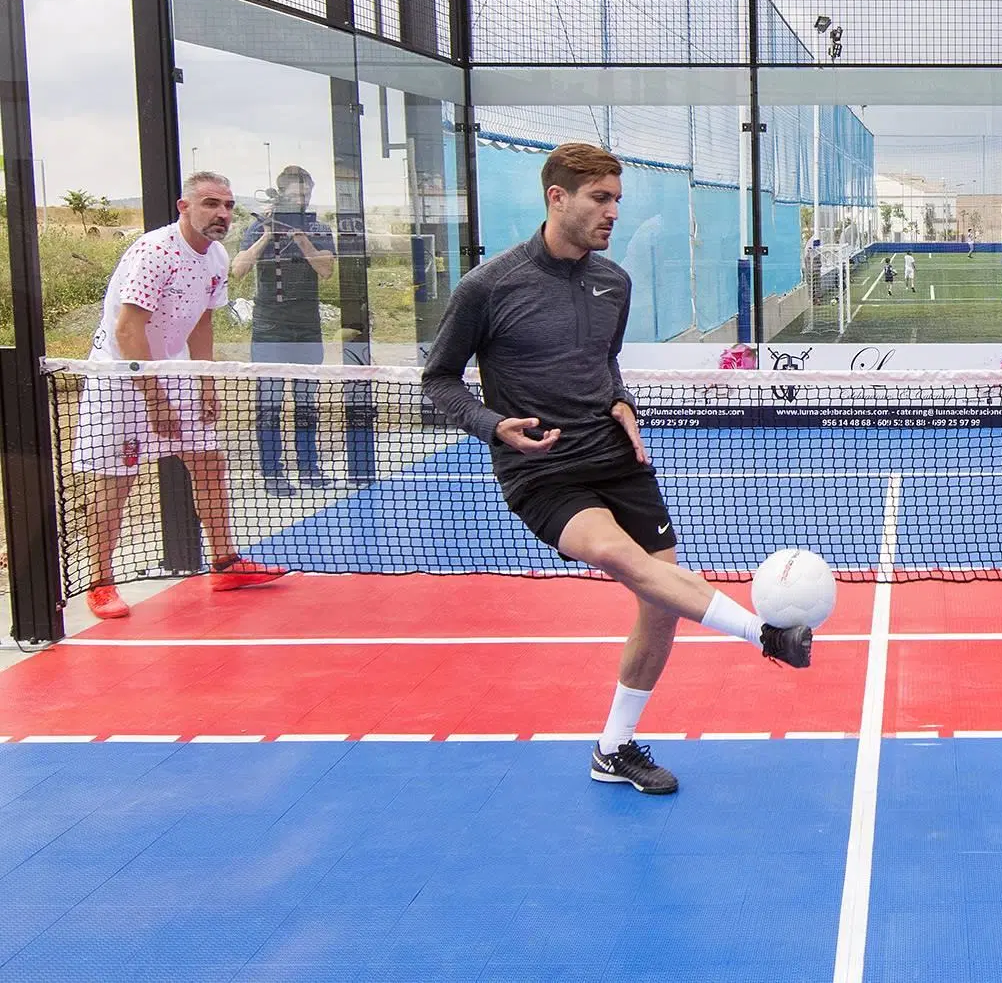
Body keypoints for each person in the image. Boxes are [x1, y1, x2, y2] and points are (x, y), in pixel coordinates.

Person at [423, 142, 811, 796]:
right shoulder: (487, 287)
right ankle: (765, 635)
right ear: (557, 197)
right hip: (542, 472)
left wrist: (622, 403)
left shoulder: (613, 284)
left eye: (617, 200)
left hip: (616, 456)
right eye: (600, 199)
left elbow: (602, 364)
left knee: (659, 605)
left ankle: (614, 748)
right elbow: (438, 380)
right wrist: (494, 427)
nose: (612, 213)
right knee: (635, 565)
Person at [75, 172, 286, 620]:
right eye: (211, 204)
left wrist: (204, 381)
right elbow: (128, 329)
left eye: (228, 205)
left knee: (209, 460)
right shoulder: (155, 253)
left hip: (174, 369)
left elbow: (203, 322)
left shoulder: (215, 256)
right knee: (117, 477)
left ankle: (226, 564)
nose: (222, 214)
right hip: (121, 373)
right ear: (183, 206)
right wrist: (154, 400)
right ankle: (100, 582)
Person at [231, 165, 336, 496]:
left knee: (306, 402)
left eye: (306, 193)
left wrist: (300, 239)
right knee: (269, 404)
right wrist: (267, 232)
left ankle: (309, 467)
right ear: (282, 194)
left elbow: (327, 270)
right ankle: (272, 473)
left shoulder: (318, 228)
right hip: (269, 328)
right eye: (295, 194)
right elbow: (238, 270)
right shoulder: (257, 228)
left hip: (306, 327)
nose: (302, 199)